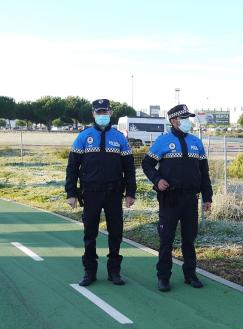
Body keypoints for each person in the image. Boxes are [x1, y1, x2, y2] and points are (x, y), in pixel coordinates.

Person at [65, 99, 136, 287]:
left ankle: (114, 272)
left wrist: (131, 193)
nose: (102, 115)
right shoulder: (83, 136)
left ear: (111, 113)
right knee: (90, 234)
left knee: (116, 233)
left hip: (114, 193)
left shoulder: (120, 137)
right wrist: (71, 193)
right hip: (90, 193)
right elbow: (72, 167)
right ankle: (90, 272)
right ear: (93, 114)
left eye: (105, 111)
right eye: (99, 112)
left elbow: (129, 168)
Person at [142, 104, 212, 292]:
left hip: (190, 199)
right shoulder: (162, 141)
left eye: (189, 118)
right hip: (169, 199)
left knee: (189, 239)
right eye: (184, 119)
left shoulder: (196, 142)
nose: (188, 122)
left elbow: (204, 173)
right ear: (174, 121)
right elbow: (147, 164)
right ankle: (163, 277)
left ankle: (190, 275)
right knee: (166, 240)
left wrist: (207, 197)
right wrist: (157, 180)